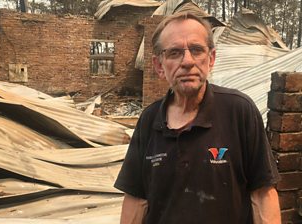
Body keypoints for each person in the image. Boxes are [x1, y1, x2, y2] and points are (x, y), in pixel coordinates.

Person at [114, 12, 281, 224]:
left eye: (196, 50)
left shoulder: (239, 111)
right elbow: (137, 199)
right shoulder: (150, 120)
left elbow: (262, 195)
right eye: (174, 52)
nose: (187, 61)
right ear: (159, 66)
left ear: (211, 59)